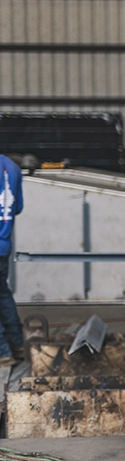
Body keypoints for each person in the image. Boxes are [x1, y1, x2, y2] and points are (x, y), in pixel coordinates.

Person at [0, 155, 25, 367]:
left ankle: (2, 353)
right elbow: (17, 207)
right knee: (2, 293)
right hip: (3, 244)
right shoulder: (13, 167)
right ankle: (18, 345)